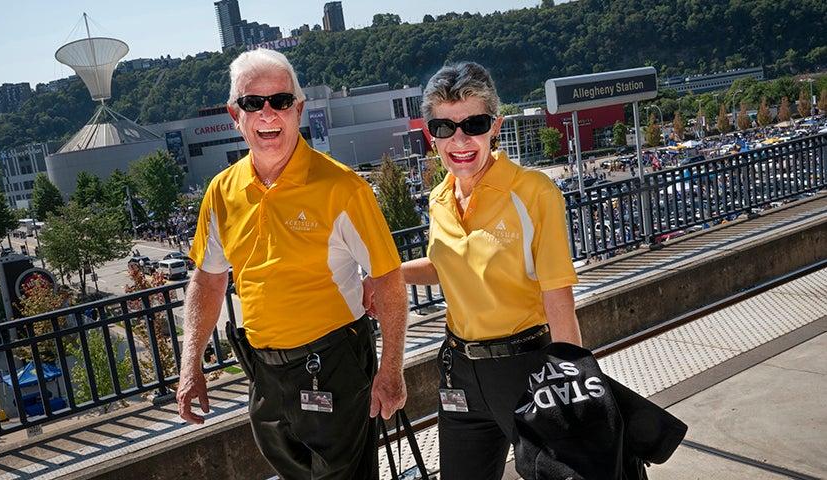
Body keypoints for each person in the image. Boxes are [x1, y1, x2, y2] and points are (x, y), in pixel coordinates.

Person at [176, 49, 408, 480]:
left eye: (281, 101)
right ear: (234, 114)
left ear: (298, 110)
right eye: (253, 103)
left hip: (334, 364)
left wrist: (391, 369)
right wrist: (191, 365)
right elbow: (208, 281)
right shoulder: (221, 192)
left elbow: (388, 278)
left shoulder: (342, 187)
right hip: (264, 374)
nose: (268, 114)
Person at [386, 62, 582, 479]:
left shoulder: (533, 192)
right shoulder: (439, 198)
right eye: (444, 127)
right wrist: (390, 274)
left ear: (496, 126)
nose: (459, 139)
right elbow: (446, 266)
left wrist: (577, 384)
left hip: (526, 368)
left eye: (474, 124)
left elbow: (558, 295)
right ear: (429, 134)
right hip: (459, 372)